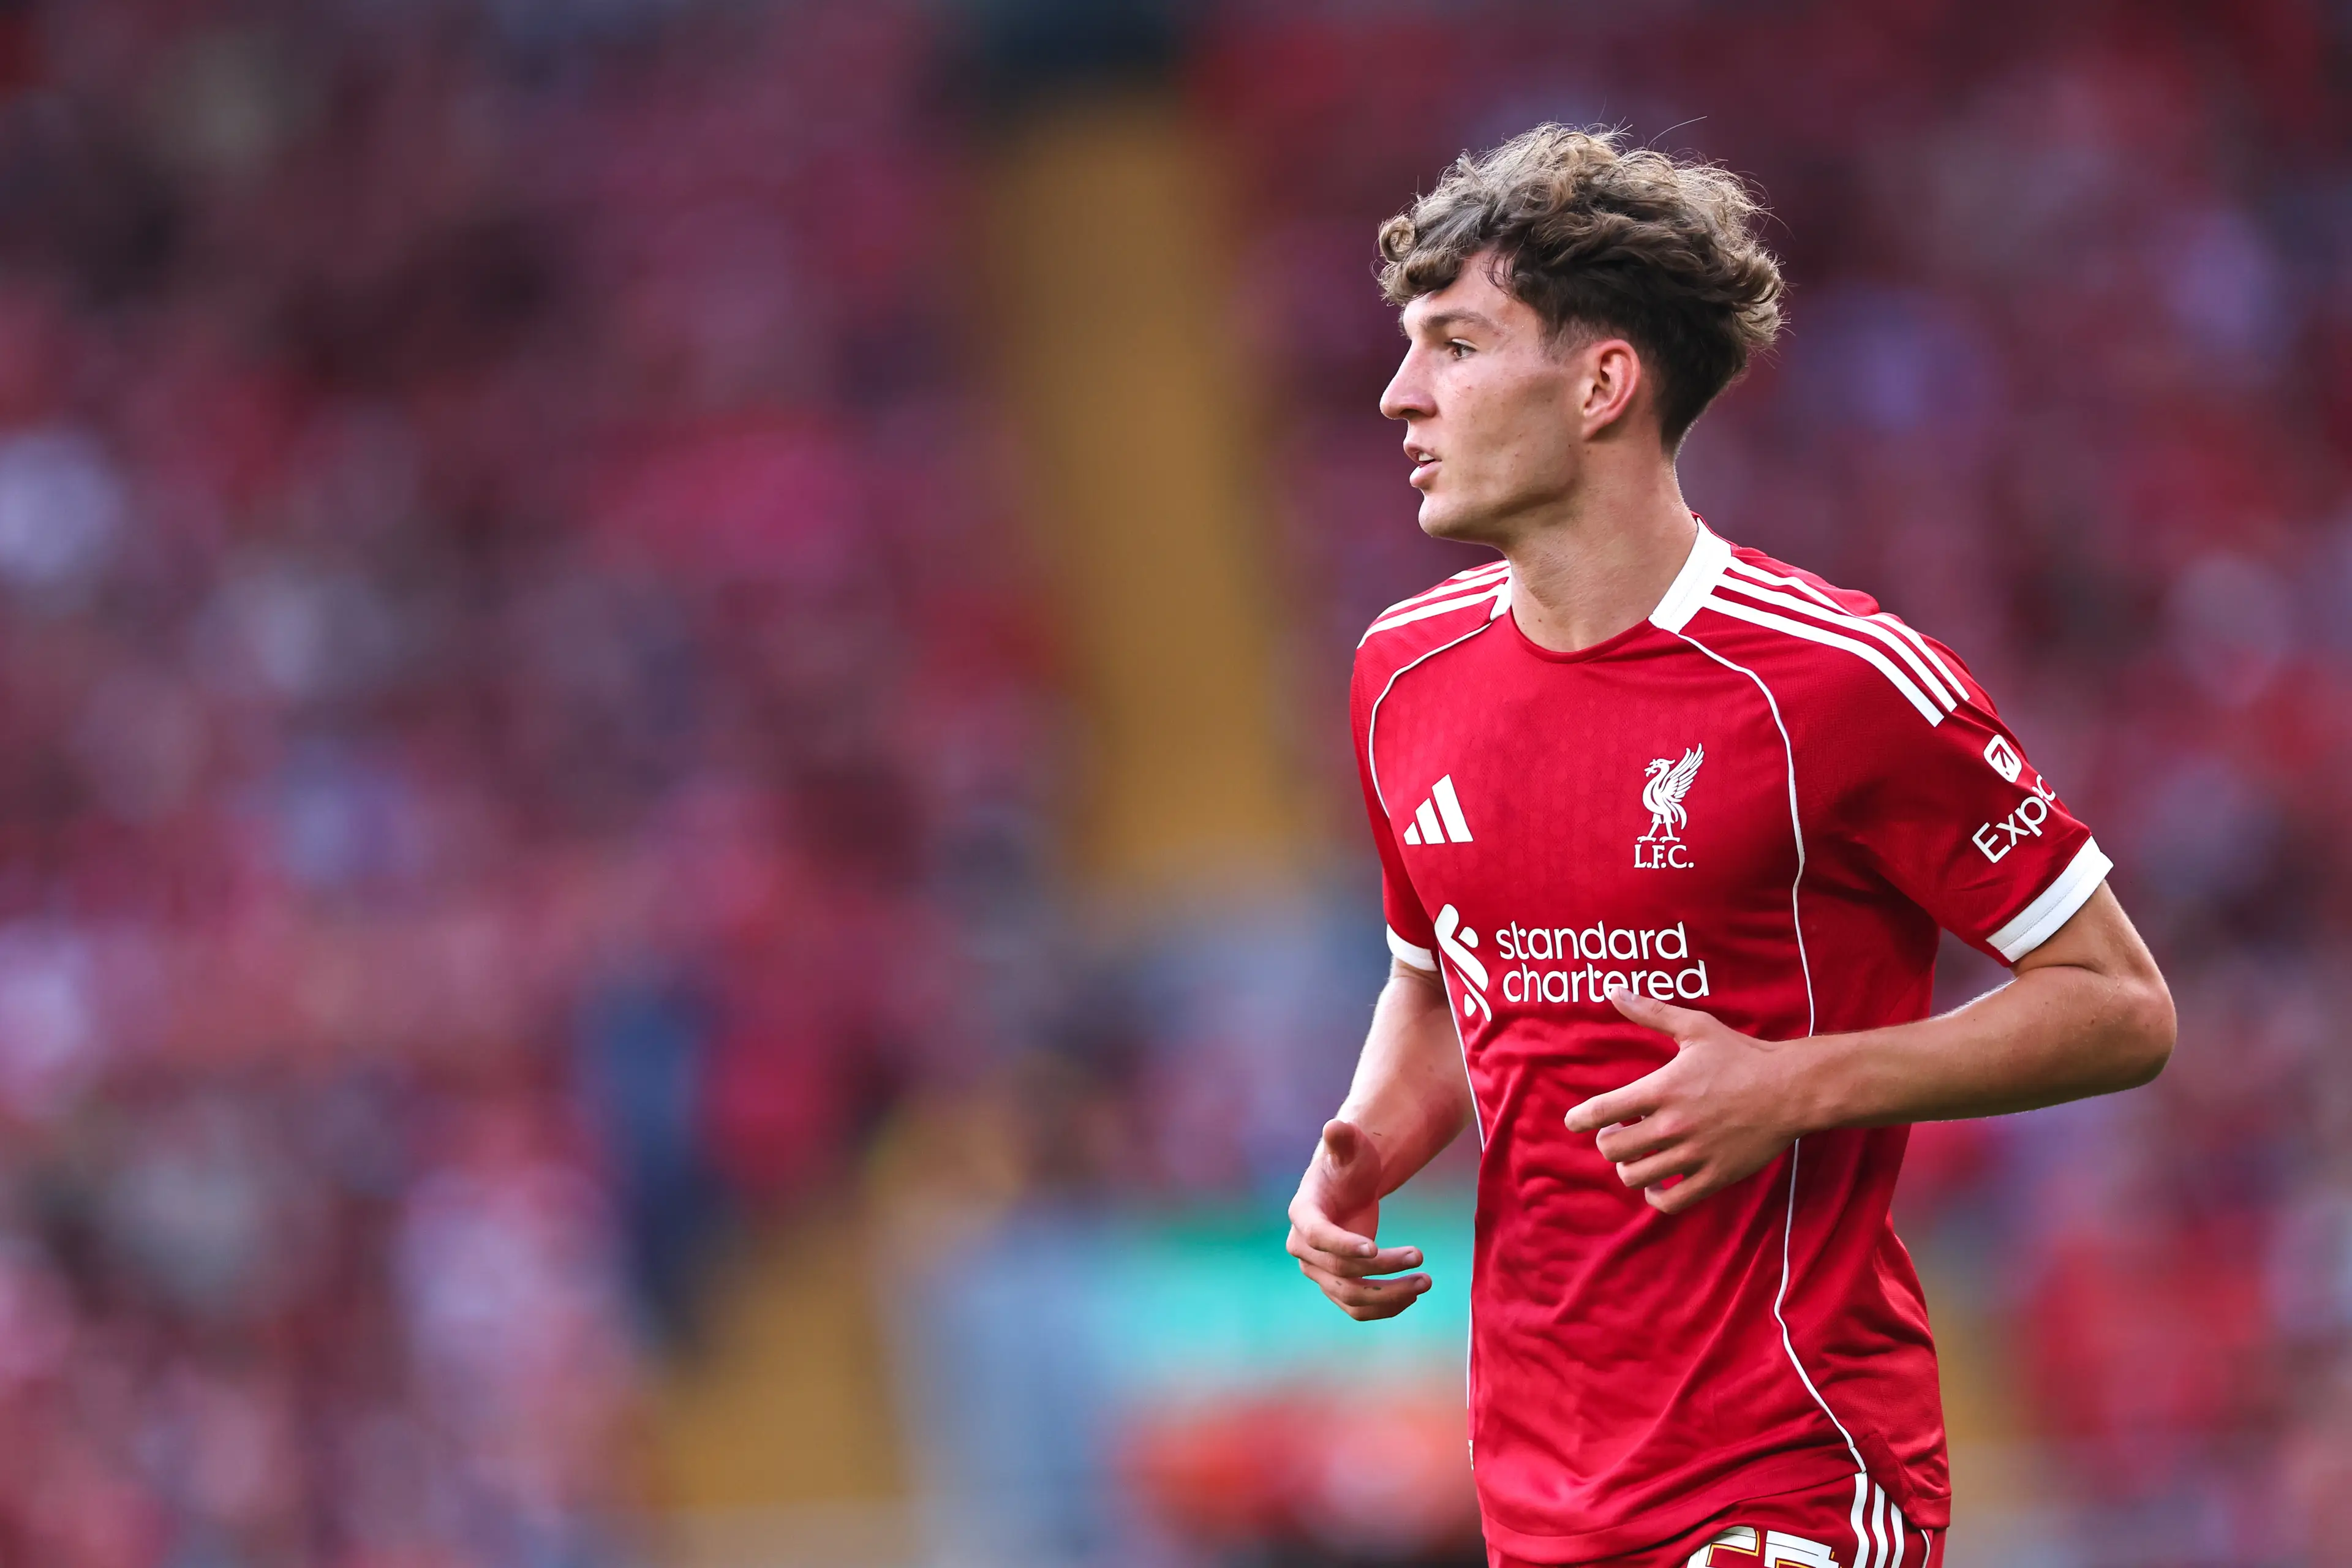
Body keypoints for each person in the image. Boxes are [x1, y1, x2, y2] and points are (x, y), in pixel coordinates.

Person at [1286, 126, 2176, 1568]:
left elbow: (2121, 1004)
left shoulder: (1837, 680)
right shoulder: (1403, 673)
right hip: (1540, 1479)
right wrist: (1363, 1148)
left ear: (1601, 383)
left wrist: (1791, 1083)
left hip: (1792, 1463)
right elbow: (1443, 986)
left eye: (1455, 344)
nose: (1401, 393)